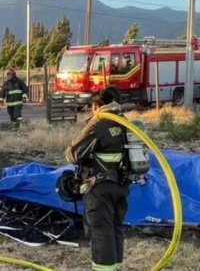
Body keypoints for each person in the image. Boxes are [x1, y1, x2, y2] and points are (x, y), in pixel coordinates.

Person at [65, 88, 130, 271]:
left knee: (101, 231)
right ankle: (115, 267)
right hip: (121, 185)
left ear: (96, 105)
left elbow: (73, 154)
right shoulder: (125, 122)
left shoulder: (99, 124)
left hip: (99, 187)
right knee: (115, 228)